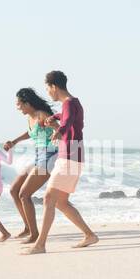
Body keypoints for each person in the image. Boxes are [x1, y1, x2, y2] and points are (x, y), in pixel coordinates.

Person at [23, 70, 97, 254]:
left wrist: (58, 130)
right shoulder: (71, 103)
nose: (48, 92)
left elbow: (68, 120)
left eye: (48, 88)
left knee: (49, 198)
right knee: (61, 202)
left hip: (70, 155)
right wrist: (53, 118)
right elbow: (64, 116)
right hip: (73, 155)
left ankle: (40, 245)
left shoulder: (70, 103)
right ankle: (89, 235)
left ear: (54, 87)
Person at [4, 88, 58, 241]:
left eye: (19, 104)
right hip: (38, 157)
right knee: (14, 190)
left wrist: (55, 129)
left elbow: (59, 128)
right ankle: (28, 227)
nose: (18, 107)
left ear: (27, 103)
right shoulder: (31, 117)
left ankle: (34, 234)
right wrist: (14, 141)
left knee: (24, 194)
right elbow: (31, 132)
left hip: (49, 157)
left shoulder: (42, 115)